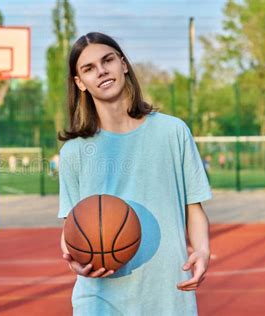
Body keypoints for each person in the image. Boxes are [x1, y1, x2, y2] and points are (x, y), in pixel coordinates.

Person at [58, 32, 212, 315]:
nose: (101, 71)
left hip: (166, 292)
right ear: (80, 83)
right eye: (88, 68)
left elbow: (194, 207)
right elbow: (72, 223)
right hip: (99, 298)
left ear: (124, 64)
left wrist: (202, 251)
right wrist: (73, 259)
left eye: (108, 60)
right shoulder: (74, 152)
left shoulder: (173, 132)